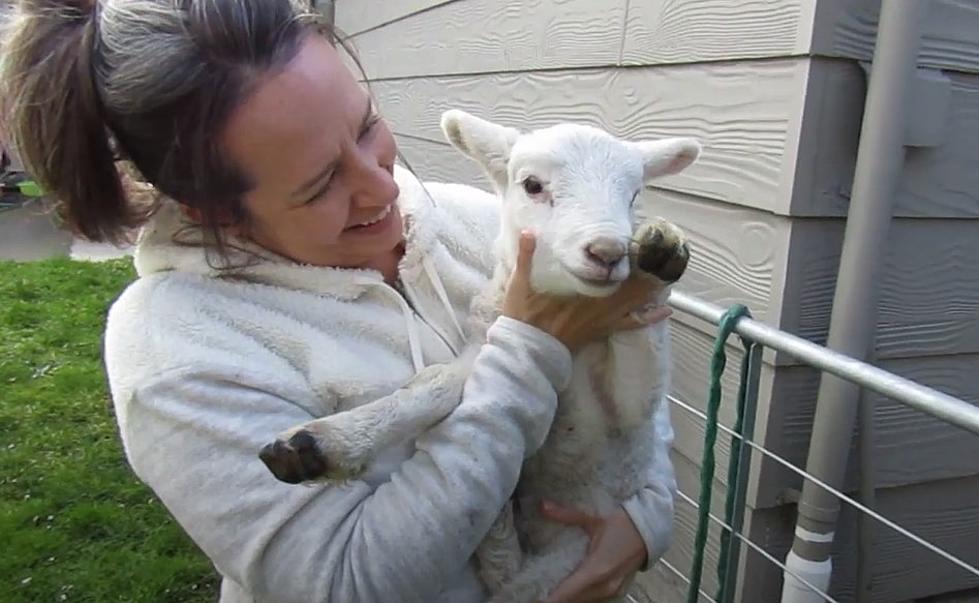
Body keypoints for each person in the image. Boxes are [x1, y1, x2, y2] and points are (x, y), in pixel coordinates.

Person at [0, 1, 677, 601]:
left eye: (365, 128)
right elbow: (342, 579)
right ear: (216, 210)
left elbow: (633, 392)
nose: (383, 189)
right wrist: (532, 345)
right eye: (321, 182)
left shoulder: (475, 219)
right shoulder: (178, 349)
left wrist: (644, 519)